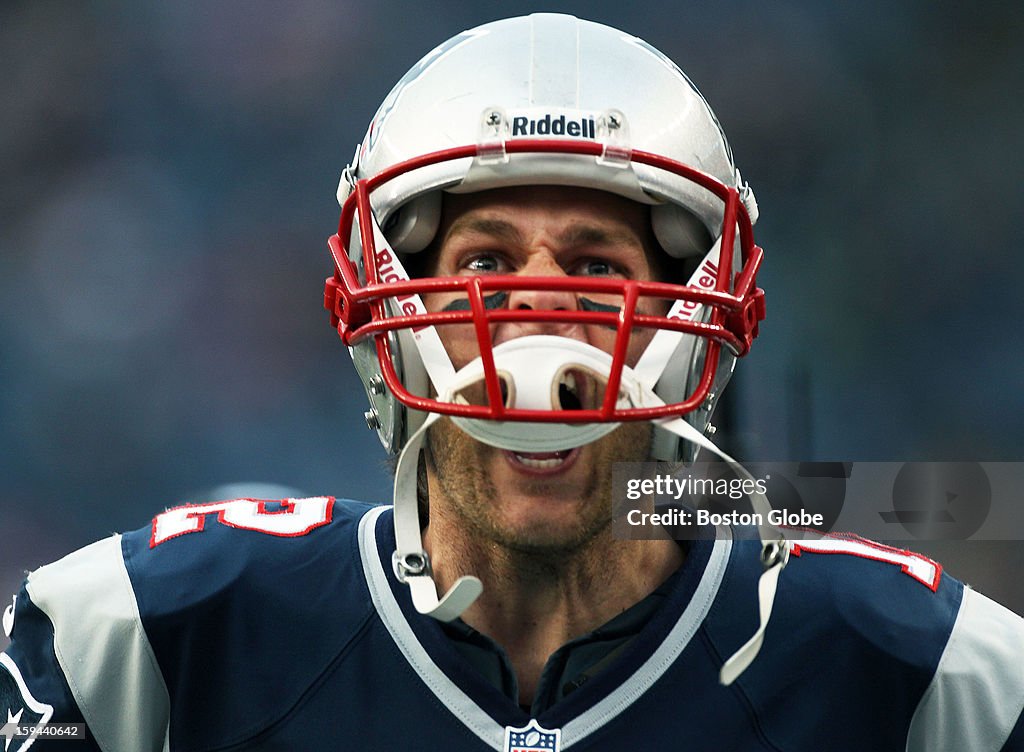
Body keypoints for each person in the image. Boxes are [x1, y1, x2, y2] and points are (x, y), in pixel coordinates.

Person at [1, 13, 1022, 752]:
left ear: (698, 312)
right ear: (384, 313)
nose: (537, 321)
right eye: (484, 265)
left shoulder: (909, 664)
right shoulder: (162, 631)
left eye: (594, 268)